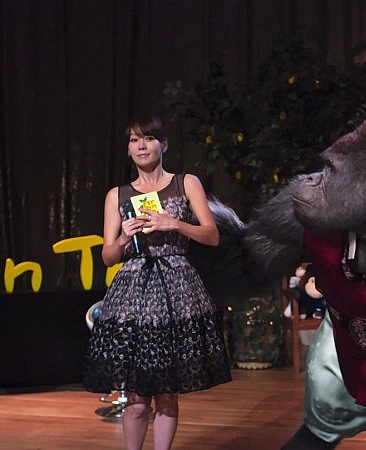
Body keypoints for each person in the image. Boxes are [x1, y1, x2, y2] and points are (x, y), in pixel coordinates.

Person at [83, 115, 232, 450]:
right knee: (136, 398)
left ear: (163, 145)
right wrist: (124, 238)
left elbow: (212, 235)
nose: (141, 146)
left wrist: (174, 224)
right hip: (133, 292)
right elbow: (107, 256)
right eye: (134, 140)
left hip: (176, 290)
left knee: (167, 394)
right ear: (128, 149)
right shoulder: (117, 195)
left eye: (148, 139)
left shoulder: (185, 183)